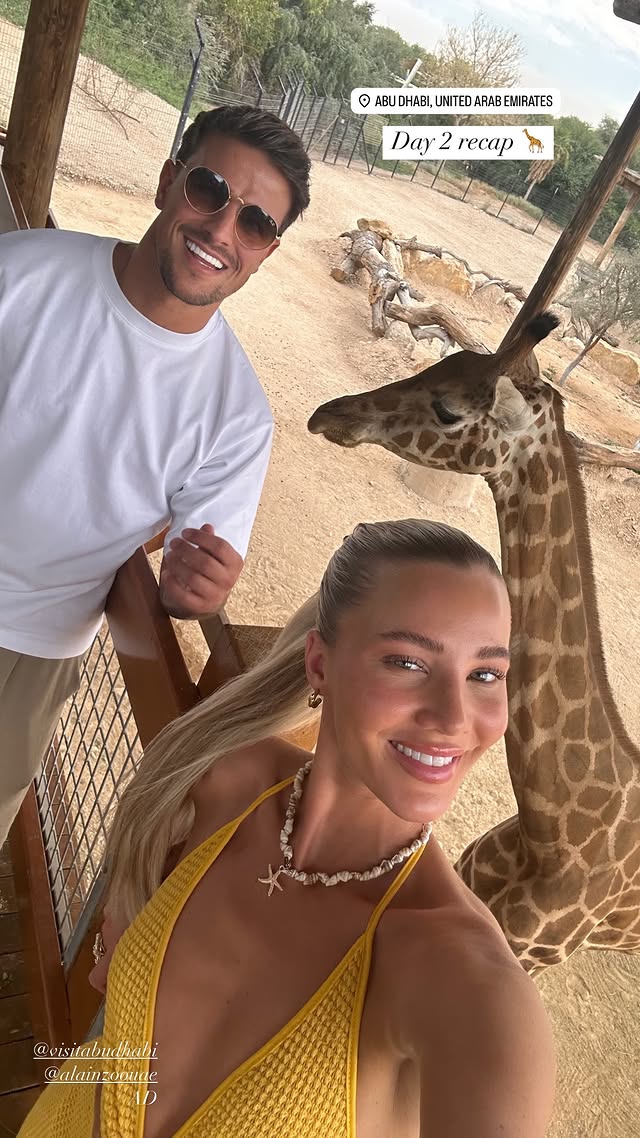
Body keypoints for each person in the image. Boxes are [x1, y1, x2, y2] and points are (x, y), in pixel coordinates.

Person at [18, 519, 555, 1138]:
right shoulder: (223, 780)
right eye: (408, 662)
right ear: (320, 665)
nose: (453, 718)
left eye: (484, 674)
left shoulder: (468, 986)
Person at [0, 104, 311, 846]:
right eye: (209, 189)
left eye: (257, 224)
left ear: (267, 252)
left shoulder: (237, 416)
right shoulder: (22, 275)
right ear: (169, 182)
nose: (222, 231)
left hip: (32, 649)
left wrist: (194, 589)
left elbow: (194, 572)